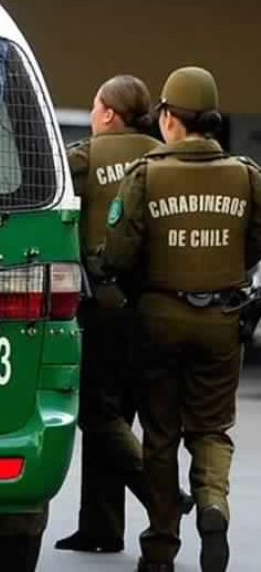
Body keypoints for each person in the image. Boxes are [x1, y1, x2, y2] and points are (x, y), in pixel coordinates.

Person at [102, 66, 261, 572]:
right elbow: (256, 244)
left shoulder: (146, 175)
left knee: (161, 435)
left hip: (159, 318)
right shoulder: (246, 175)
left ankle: (160, 548)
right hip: (222, 319)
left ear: (168, 118)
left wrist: (142, 295)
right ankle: (213, 504)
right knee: (212, 428)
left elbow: (119, 255)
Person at [57, 75, 193, 554]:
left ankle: (164, 499)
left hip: (107, 307)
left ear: (108, 113)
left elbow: (40, 189)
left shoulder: (87, 157)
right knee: (126, 417)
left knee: (98, 414)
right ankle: (100, 526)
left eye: (95, 106)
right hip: (158, 307)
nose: (94, 114)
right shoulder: (165, 156)